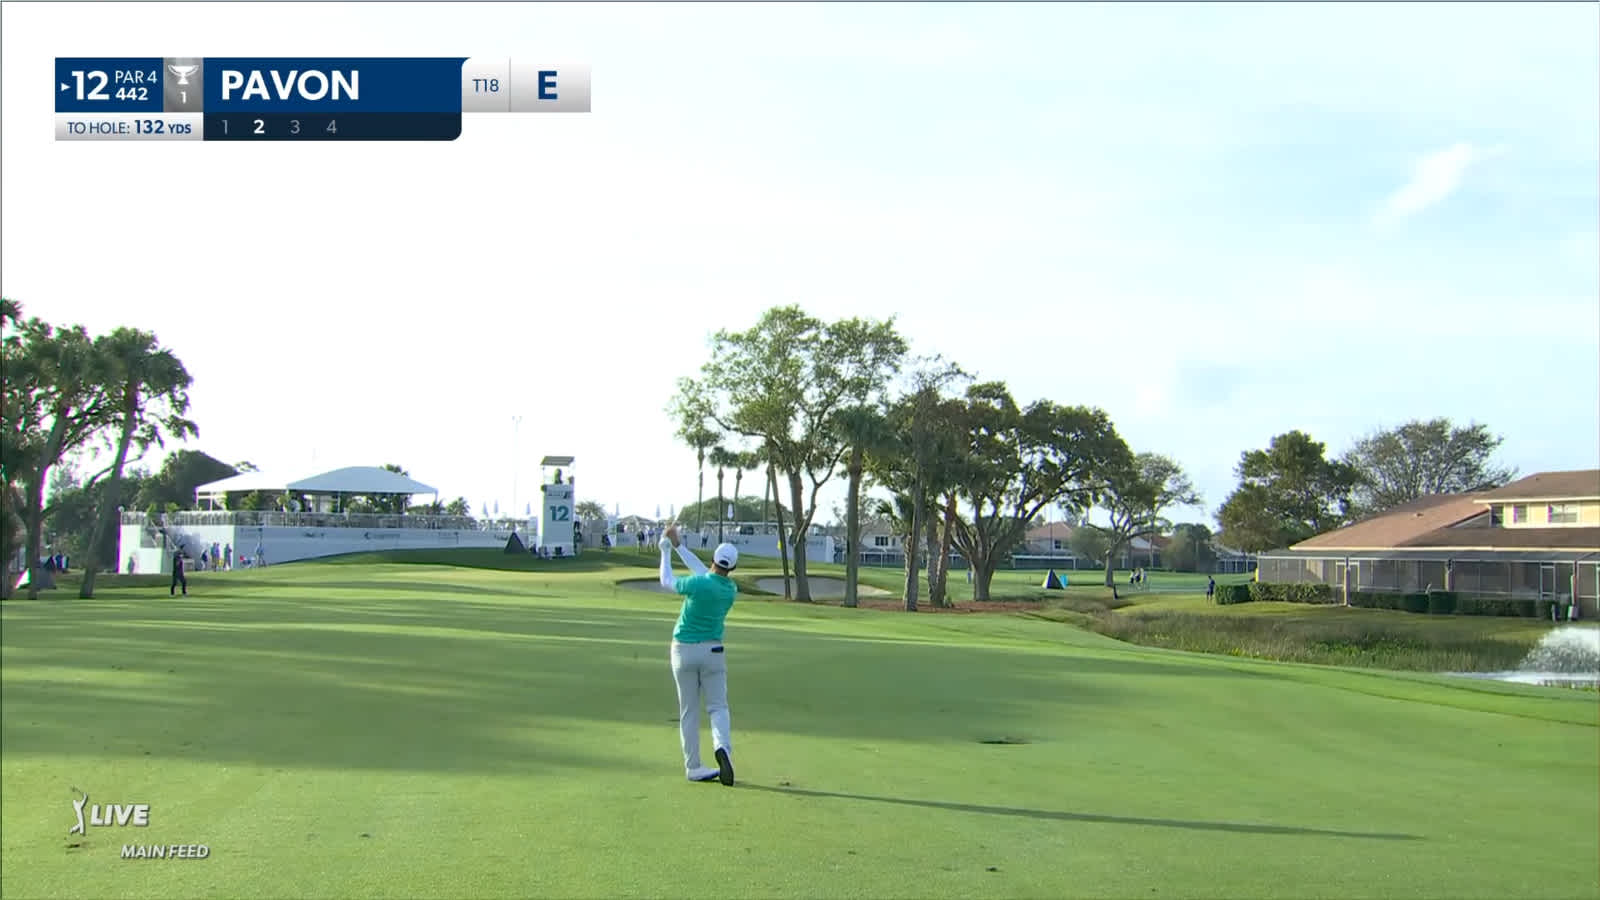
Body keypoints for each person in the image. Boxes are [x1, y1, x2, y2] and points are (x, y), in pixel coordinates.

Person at [659, 522, 739, 785]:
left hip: (683, 650)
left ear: (714, 559)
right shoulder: (730, 590)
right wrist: (679, 544)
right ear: (733, 568)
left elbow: (666, 581)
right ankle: (722, 748)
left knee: (689, 711)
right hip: (713, 651)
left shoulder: (697, 584)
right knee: (718, 707)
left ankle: (693, 766)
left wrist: (666, 550)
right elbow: (705, 573)